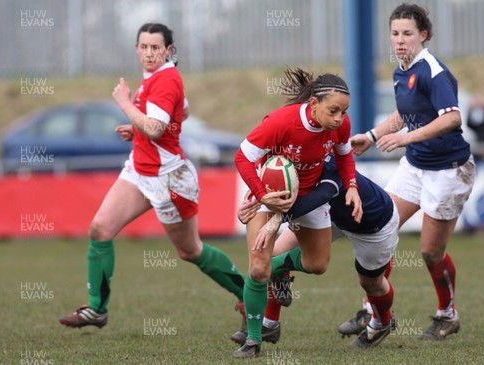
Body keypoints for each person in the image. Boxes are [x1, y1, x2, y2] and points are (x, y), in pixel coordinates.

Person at [59, 23, 245, 329]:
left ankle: (247, 294)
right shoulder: (157, 77)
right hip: (139, 170)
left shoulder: (165, 80)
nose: (149, 53)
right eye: (143, 47)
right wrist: (138, 130)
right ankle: (97, 309)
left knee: (189, 250)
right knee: (100, 229)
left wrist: (123, 104)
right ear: (136, 48)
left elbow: (157, 128)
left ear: (168, 50)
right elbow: (180, 113)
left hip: (169, 178)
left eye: (155, 48)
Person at [351, 3, 475, 340]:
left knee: (430, 252)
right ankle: (373, 309)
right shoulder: (401, 71)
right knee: (383, 227)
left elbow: (452, 117)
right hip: (416, 165)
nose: (400, 40)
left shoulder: (433, 71)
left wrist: (405, 139)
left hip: (448, 170)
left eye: (407, 33)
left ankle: (447, 315)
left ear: (423, 35)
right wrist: (372, 136)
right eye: (395, 34)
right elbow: (405, 113)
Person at [233, 68, 363, 358]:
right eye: (333, 111)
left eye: (344, 112)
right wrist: (261, 194)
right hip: (267, 196)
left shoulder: (340, 125)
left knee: (318, 264)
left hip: (308, 196)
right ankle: (253, 340)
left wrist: (351, 186)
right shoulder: (281, 122)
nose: (340, 119)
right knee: (257, 268)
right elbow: (243, 157)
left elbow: (344, 156)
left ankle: (278, 269)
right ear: (314, 105)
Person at [233, 155, 399, 348]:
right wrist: (249, 205)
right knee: (273, 254)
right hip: (333, 216)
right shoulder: (293, 156)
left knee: (371, 283)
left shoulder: (328, 162)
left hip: (372, 223)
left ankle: (382, 323)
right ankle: (270, 323)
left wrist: (279, 218)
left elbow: (319, 196)